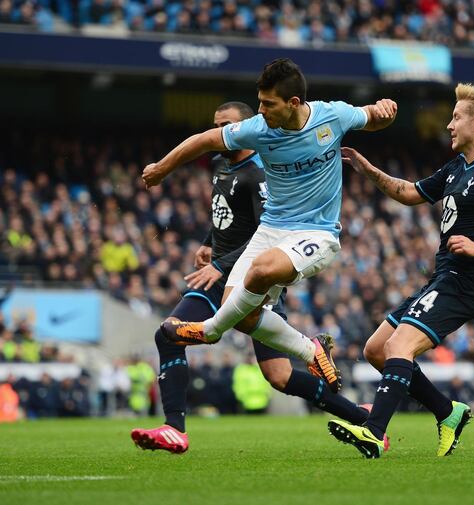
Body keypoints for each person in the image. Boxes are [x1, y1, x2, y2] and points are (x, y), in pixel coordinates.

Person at [132, 101, 380, 454]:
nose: (221, 132)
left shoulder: (259, 172)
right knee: (168, 335)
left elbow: (267, 234)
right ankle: (174, 428)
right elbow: (226, 215)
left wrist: (221, 264)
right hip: (215, 278)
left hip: (252, 275)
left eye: (227, 125)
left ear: (248, 126)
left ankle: (360, 418)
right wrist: (208, 244)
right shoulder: (221, 163)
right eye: (216, 124)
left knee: (279, 377)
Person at [142, 58, 397, 396]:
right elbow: (204, 140)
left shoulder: (331, 116)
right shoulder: (259, 129)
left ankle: (208, 331)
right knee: (244, 317)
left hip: (316, 233)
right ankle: (311, 350)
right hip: (271, 230)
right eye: (259, 101)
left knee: (259, 272)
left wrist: (385, 109)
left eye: (268, 103)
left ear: (294, 103)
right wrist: (161, 168)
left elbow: (371, 118)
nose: (260, 110)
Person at [328, 83, 474, 459]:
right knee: (377, 349)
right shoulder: (459, 167)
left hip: (465, 283)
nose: (448, 125)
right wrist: (367, 168)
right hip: (443, 278)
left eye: (455, 117)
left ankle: (374, 431)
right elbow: (410, 193)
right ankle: (447, 411)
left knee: (398, 346)